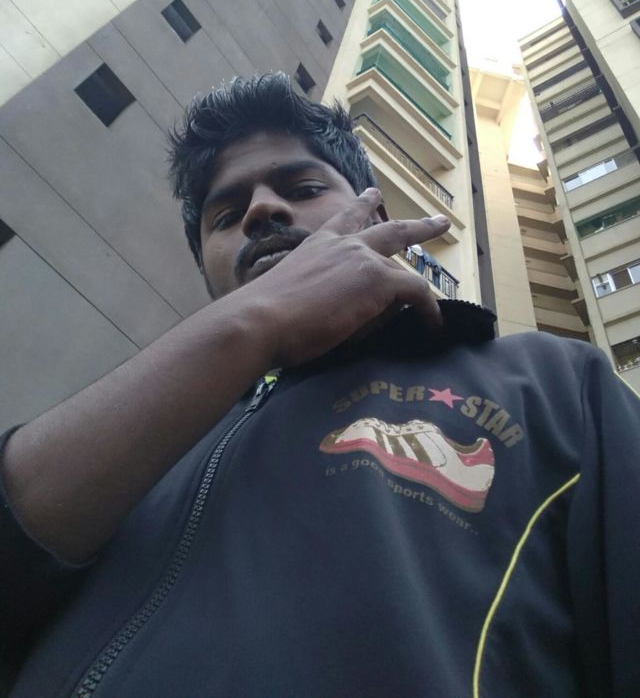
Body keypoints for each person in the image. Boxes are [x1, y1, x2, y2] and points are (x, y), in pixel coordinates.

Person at [1, 74, 638, 697]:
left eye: (302, 188)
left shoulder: (550, 382)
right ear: (206, 268)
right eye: (226, 216)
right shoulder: (144, 436)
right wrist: (257, 321)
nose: (261, 211)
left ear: (376, 215)